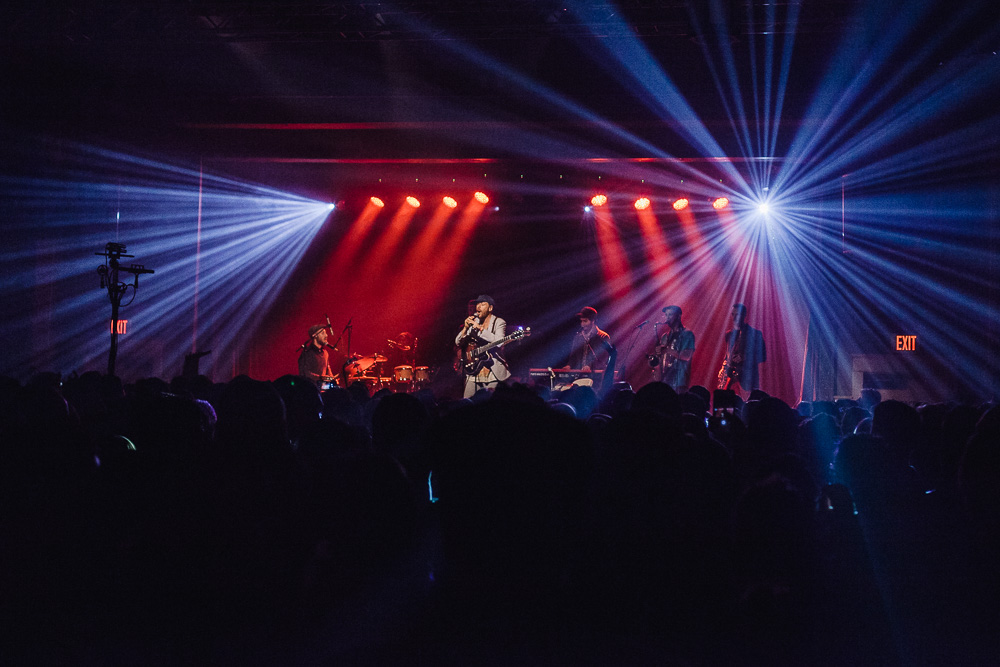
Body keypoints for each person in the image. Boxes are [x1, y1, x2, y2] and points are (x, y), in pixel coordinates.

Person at [455, 295, 511, 398]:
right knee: (467, 402)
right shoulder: (474, 322)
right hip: (473, 371)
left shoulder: (499, 322)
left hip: (492, 372)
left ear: (490, 308)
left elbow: (499, 342)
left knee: (491, 402)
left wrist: (481, 330)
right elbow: (458, 342)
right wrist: (465, 328)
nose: (478, 307)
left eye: (482, 304)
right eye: (478, 304)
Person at [720, 303, 766, 398]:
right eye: (733, 314)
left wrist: (745, 358)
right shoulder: (729, 334)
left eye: (738, 314)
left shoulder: (755, 334)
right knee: (726, 405)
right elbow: (727, 354)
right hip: (730, 378)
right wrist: (723, 367)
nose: (734, 318)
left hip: (747, 379)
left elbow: (762, 356)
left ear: (744, 315)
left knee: (746, 406)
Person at [654, 305, 696, 393]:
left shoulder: (687, 334)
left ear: (678, 316)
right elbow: (661, 360)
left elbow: (687, 356)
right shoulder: (665, 337)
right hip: (665, 381)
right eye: (666, 315)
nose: (667, 318)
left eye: (670, 315)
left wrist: (666, 349)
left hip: (680, 383)